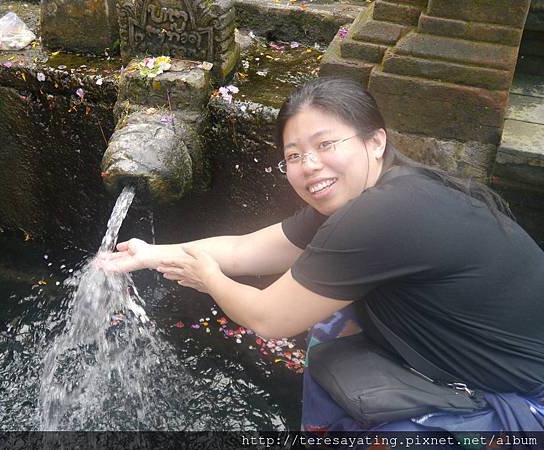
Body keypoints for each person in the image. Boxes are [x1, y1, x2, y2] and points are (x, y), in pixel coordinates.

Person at [99, 78, 544, 436]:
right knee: (329, 328)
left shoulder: (384, 213)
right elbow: (246, 249)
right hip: (461, 356)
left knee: (324, 325)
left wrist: (209, 278)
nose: (309, 164)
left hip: (522, 395)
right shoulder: (373, 195)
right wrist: (153, 253)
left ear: (375, 141)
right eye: (294, 155)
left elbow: (271, 319)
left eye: (326, 144)